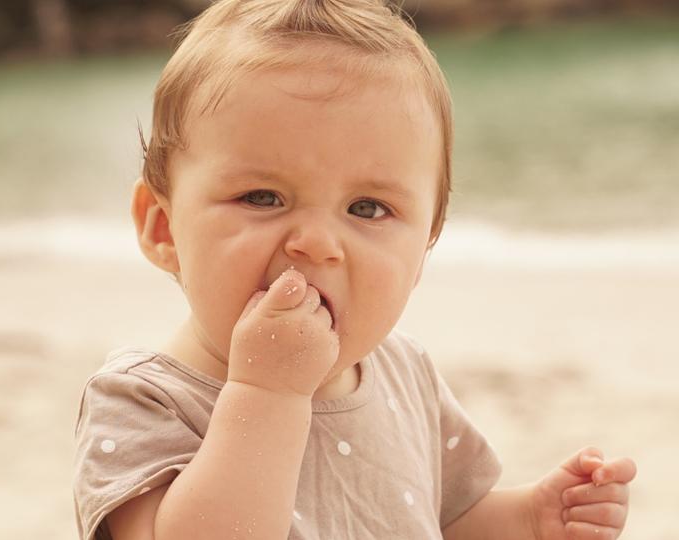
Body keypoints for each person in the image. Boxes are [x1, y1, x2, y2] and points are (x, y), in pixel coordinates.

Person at [73, 1, 636, 539]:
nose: (317, 245)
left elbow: (444, 522)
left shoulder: (404, 370)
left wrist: (531, 523)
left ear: (425, 250)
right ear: (162, 227)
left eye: (367, 208)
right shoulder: (141, 402)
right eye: (263, 196)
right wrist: (268, 393)